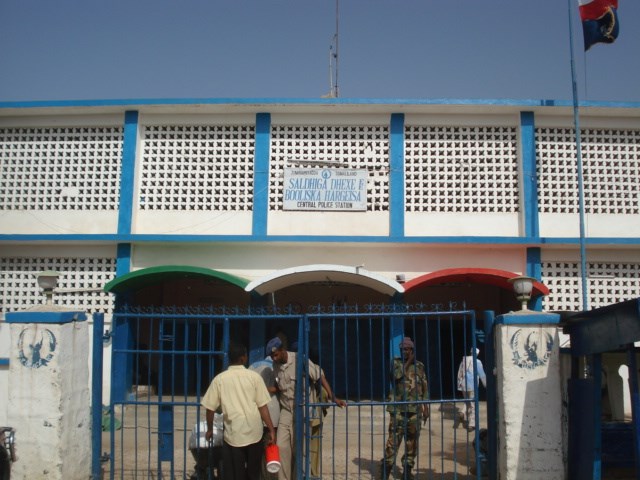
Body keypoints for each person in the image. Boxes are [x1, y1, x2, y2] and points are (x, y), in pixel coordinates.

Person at [266, 336, 347, 480]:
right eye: (272, 356)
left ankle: (297, 477)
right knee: (281, 446)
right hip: (286, 409)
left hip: (302, 408)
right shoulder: (275, 365)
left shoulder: (299, 359)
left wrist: (333, 397)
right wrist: (265, 389)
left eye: (276, 355)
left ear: (282, 350)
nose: (274, 358)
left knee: (299, 449)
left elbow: (319, 376)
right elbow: (279, 386)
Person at [201, 342, 277, 480]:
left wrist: (210, 429)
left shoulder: (219, 379)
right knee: (253, 473)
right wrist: (271, 429)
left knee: (234, 474)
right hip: (254, 432)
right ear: (243, 358)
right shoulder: (254, 377)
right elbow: (263, 407)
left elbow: (210, 408)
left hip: (233, 434)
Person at [379, 337, 429, 480]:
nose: (404, 352)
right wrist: (408, 362)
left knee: (412, 442)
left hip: (415, 410)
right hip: (398, 410)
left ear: (412, 350)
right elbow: (396, 376)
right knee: (393, 441)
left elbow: (424, 386)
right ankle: (386, 469)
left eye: (406, 350)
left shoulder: (420, 366)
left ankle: (407, 470)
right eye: (402, 350)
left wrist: (426, 406)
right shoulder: (396, 363)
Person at [456, 348, 487, 431]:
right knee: (473, 405)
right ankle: (471, 424)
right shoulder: (477, 362)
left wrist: (459, 384)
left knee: (467, 401)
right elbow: (482, 374)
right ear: (477, 354)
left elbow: (459, 373)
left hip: (464, 385)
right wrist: (486, 385)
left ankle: (462, 412)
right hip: (472, 385)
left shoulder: (464, 361)